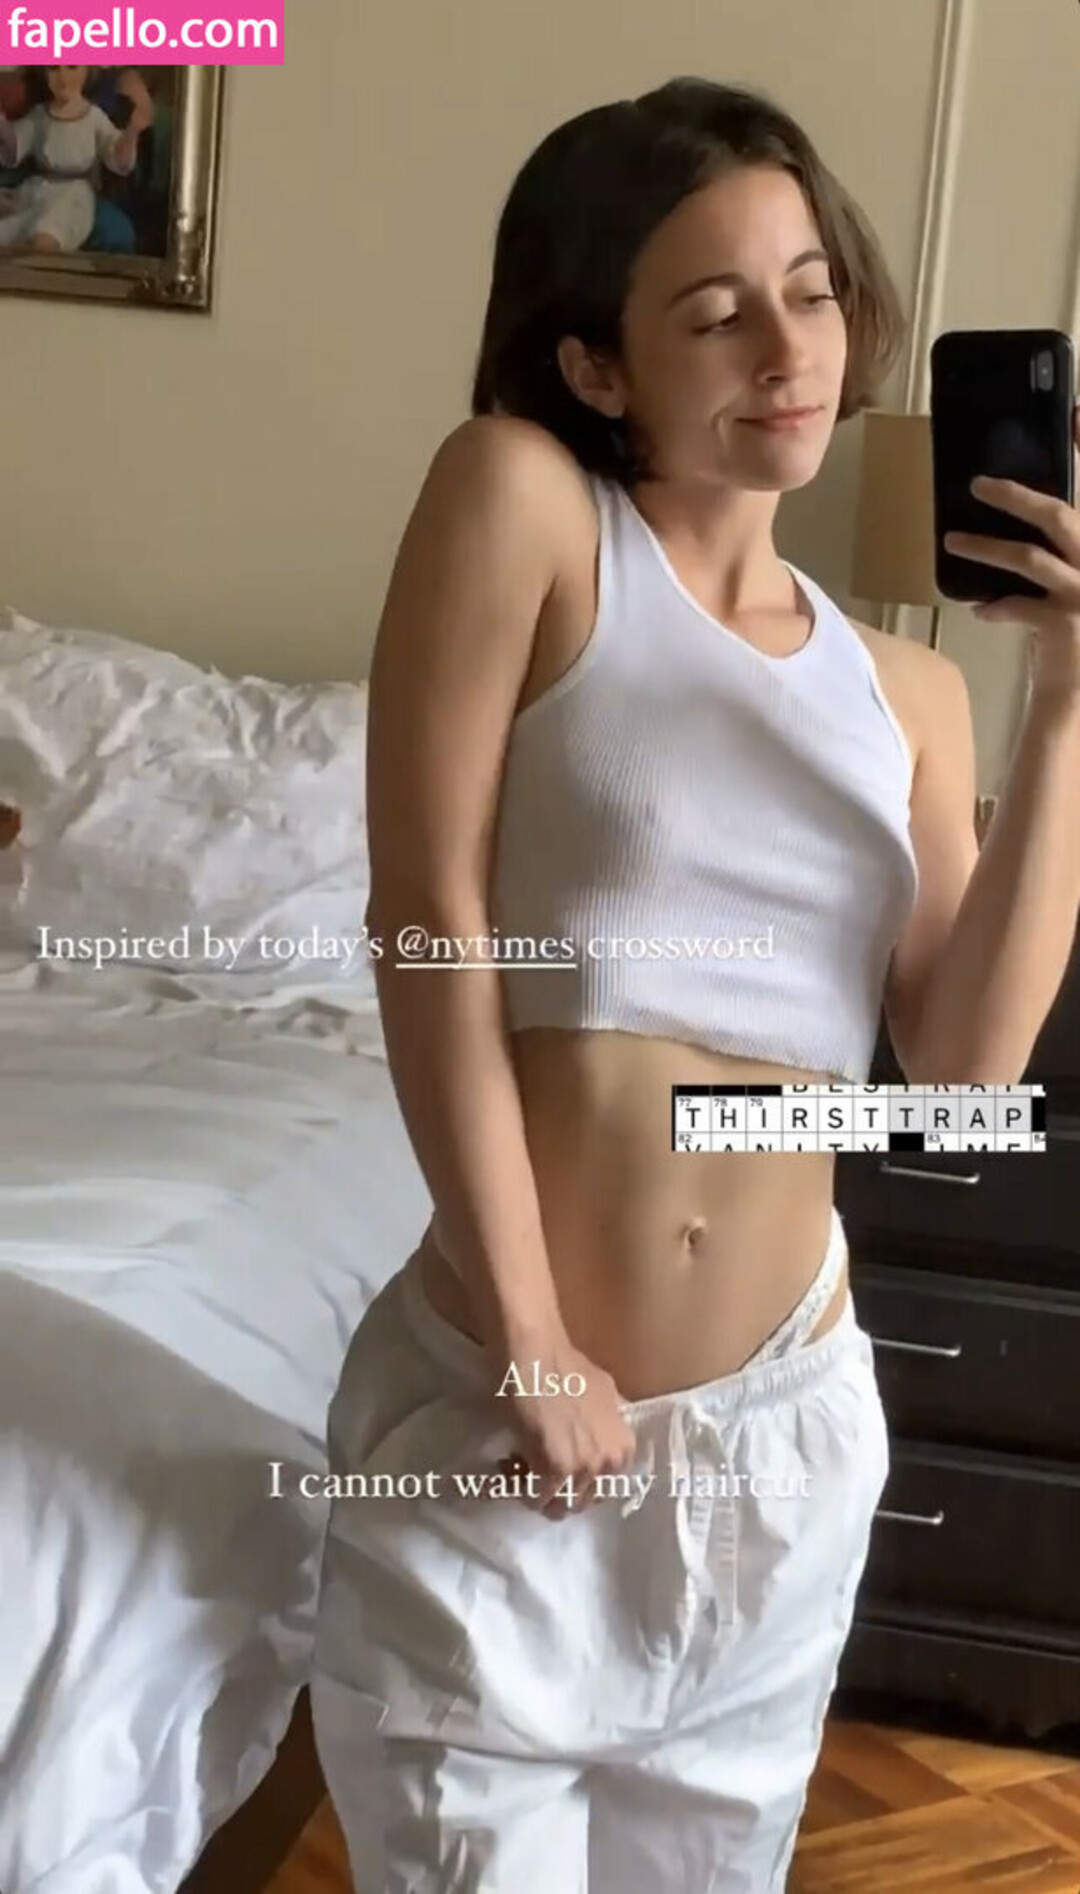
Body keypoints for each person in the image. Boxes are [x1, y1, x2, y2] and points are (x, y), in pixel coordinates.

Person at [310, 77, 1080, 1893]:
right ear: (596, 362)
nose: (789, 351)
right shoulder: (524, 506)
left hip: (777, 1432)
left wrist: (1066, 694)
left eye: (811, 293)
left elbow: (964, 1071)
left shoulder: (911, 694)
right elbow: (427, 917)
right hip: (511, 1416)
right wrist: (529, 1336)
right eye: (718, 312)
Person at [0, 65, 151, 254]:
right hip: (39, 190)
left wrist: (132, 131)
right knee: (16, 226)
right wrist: (2, 124)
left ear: (87, 71)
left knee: (50, 231)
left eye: (72, 67)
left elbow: (119, 159)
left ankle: (43, 251)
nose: (63, 77)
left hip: (75, 193)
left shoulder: (93, 116)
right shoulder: (39, 115)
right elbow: (14, 149)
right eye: (54, 69)